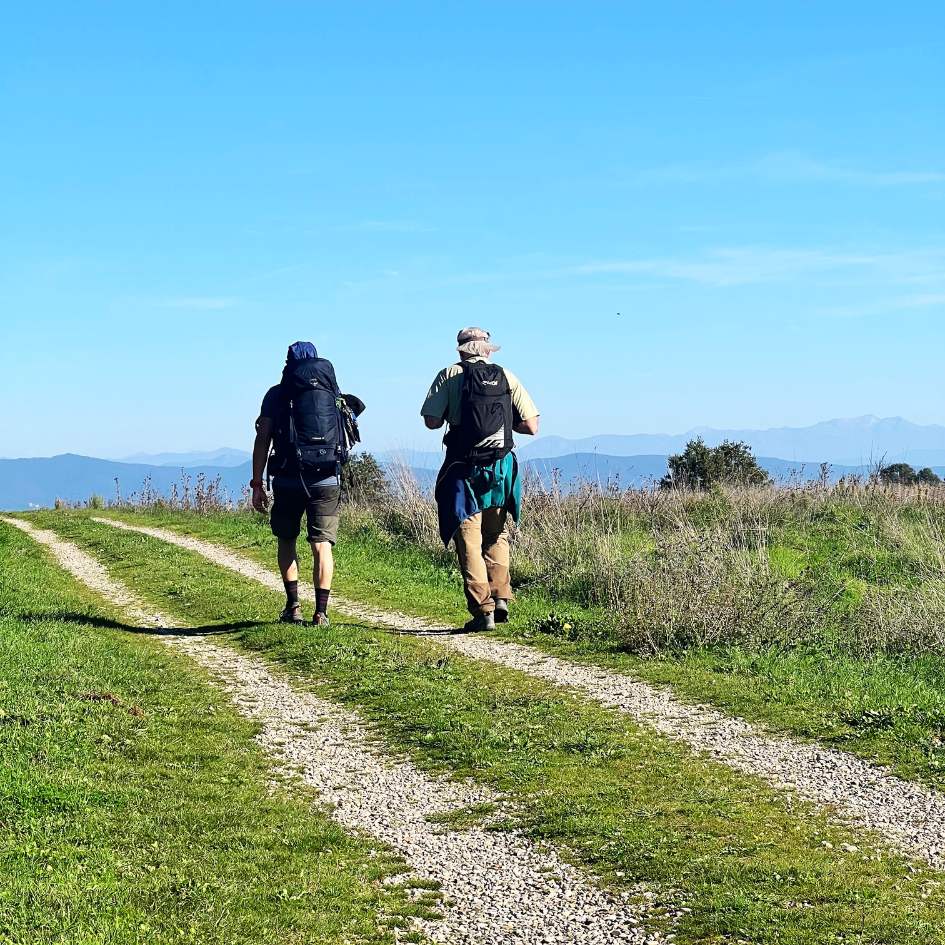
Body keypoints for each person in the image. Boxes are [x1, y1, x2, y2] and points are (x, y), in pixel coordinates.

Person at [421, 327, 540, 632]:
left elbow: (432, 422)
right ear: (487, 350)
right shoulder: (506, 376)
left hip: (464, 469)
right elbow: (531, 425)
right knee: (496, 535)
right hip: (501, 468)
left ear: (461, 350)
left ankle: (482, 611)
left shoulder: (449, 375)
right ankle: (501, 597)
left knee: (469, 542)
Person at [251, 341, 360, 626]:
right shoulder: (333, 394)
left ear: (288, 364)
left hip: (288, 478)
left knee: (287, 539)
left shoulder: (276, 395)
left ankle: (293, 606)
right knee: (322, 544)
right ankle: (321, 612)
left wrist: (257, 483)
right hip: (326, 478)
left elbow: (263, 439)